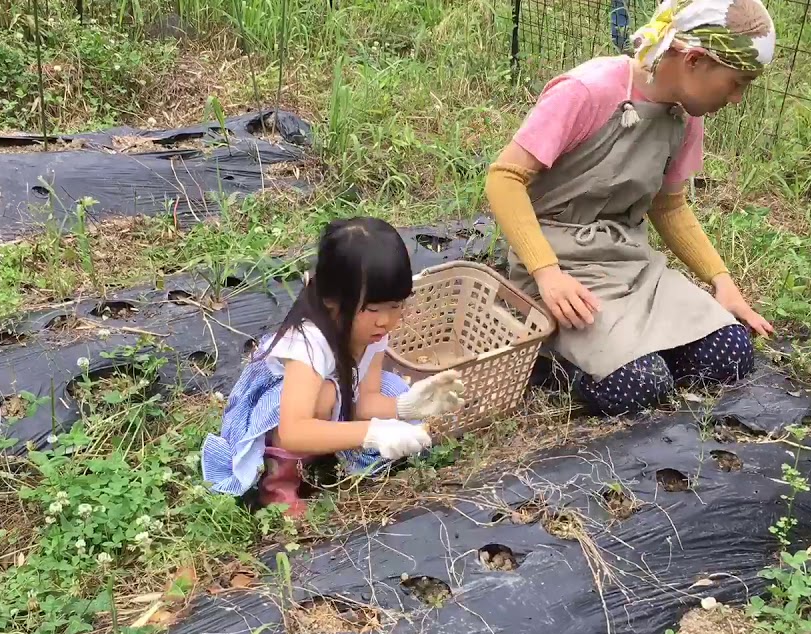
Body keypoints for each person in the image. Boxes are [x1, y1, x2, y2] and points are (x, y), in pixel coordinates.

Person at [485, 0, 777, 416]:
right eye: (736, 83)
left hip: (628, 264)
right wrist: (547, 274)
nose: (736, 98)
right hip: (561, 271)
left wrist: (721, 281)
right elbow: (504, 178)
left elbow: (669, 207)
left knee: (730, 353)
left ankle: (625, 350)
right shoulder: (587, 91)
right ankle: (555, 354)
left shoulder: (684, 115)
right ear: (694, 59)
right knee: (639, 385)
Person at [201, 217, 466, 517]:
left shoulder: (374, 331)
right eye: (373, 309)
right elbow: (292, 431)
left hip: (335, 401)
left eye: (396, 306)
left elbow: (365, 401)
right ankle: (277, 481)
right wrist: (373, 433)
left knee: (389, 387)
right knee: (326, 395)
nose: (386, 321)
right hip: (274, 414)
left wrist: (407, 407)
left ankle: (325, 460)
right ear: (331, 301)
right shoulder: (309, 341)